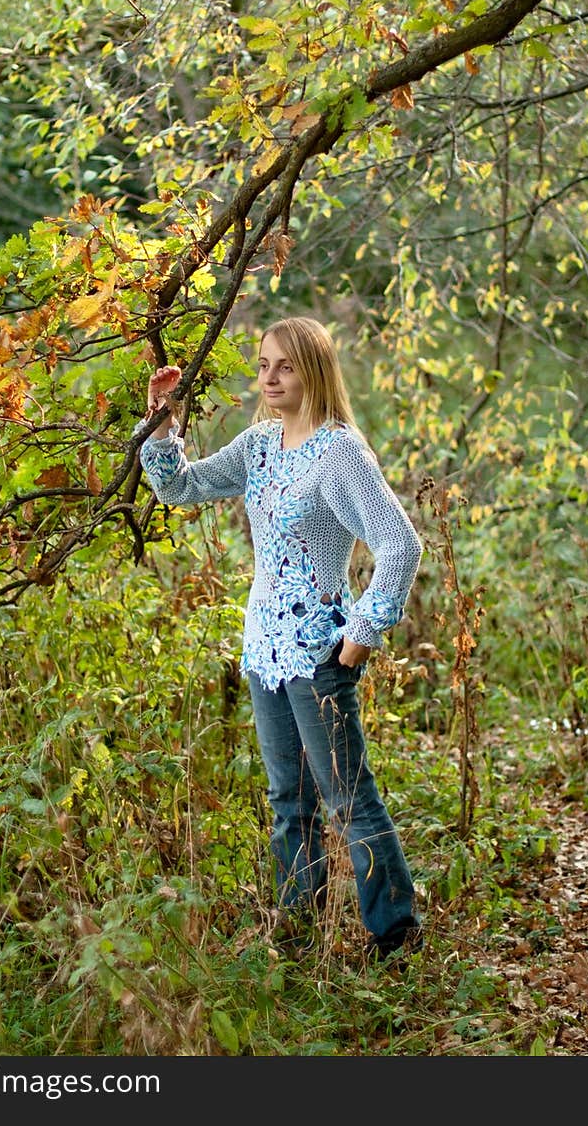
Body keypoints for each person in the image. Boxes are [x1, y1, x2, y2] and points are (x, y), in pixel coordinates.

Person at [139, 316, 424, 961]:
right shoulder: (262, 444)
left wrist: (362, 634)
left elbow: (399, 544)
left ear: (313, 372)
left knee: (348, 799)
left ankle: (396, 935)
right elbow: (183, 488)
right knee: (286, 801)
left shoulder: (340, 452)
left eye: (284, 366)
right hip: (265, 650)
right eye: (263, 364)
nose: (268, 378)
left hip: (321, 653)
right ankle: (297, 933)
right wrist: (163, 421)